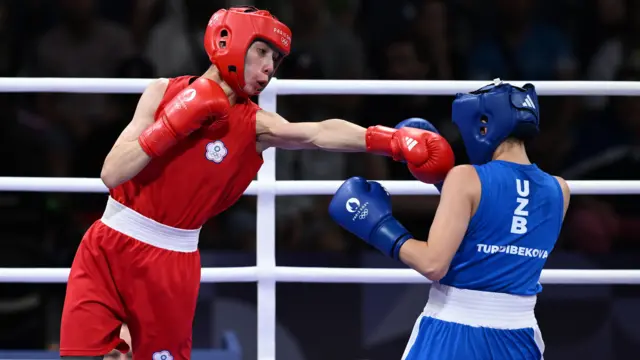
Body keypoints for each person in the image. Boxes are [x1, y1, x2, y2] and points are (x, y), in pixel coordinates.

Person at [58, 6, 455, 360]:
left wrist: (387, 140)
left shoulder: (256, 125)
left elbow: (317, 133)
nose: (270, 67)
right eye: (262, 52)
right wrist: (172, 124)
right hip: (107, 243)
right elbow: (112, 173)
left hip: (168, 261)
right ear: (230, 41)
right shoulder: (162, 91)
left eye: (276, 60)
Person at [329, 79, 571, 359]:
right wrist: (444, 183)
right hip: (521, 334)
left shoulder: (466, 178)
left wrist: (377, 226)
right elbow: (500, 228)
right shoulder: (560, 190)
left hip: (454, 329)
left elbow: (433, 264)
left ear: (483, 123)